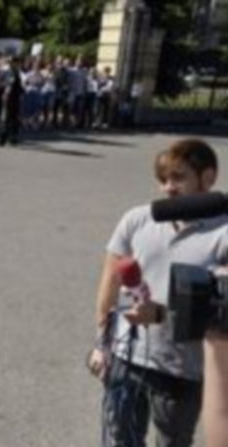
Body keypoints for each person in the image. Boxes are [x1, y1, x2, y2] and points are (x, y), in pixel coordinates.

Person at [88, 139, 228, 447]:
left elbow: (221, 314)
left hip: (182, 369)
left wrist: (161, 314)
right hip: (126, 358)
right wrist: (102, 342)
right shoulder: (138, 218)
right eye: (163, 179)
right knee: (118, 439)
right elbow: (110, 282)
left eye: (179, 178)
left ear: (208, 178)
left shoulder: (224, 233)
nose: (168, 188)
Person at [0, 56, 23, 147]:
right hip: (9, 97)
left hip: (14, 98)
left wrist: (22, 92)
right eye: (12, 62)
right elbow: (1, 82)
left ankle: (12, 139)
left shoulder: (16, 73)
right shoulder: (8, 72)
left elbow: (17, 86)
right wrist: (4, 88)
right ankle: (3, 139)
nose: (14, 64)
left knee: (12, 119)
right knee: (6, 119)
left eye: (14, 62)